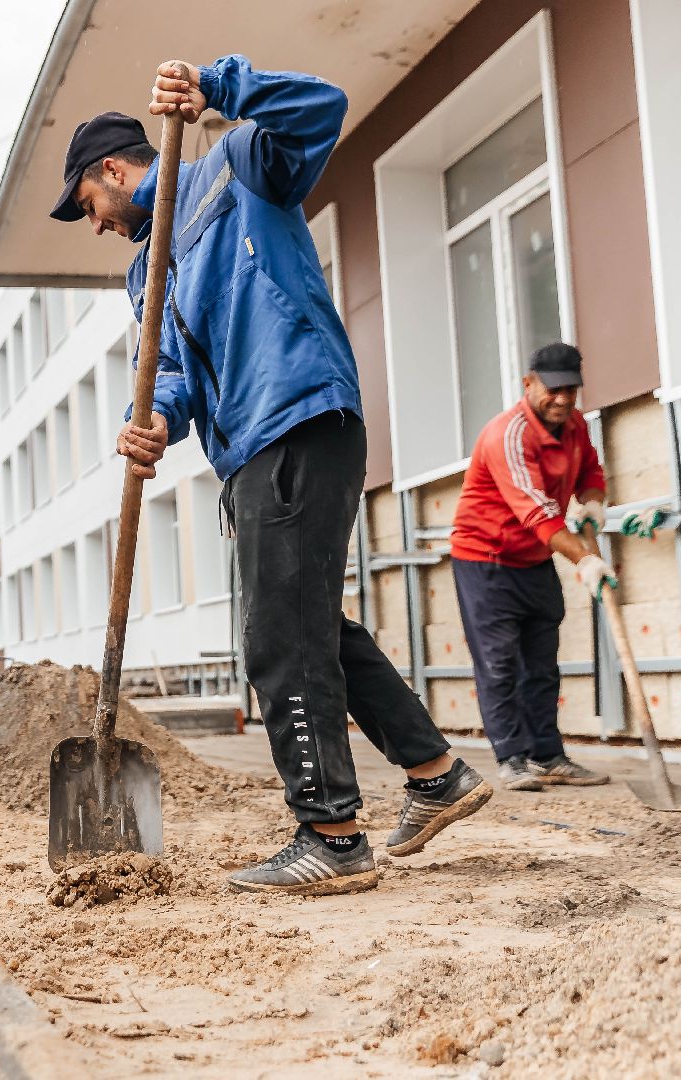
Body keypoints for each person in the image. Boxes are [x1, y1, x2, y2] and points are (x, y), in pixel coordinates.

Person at [53, 56, 491, 895]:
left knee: (276, 637)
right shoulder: (145, 273)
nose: (98, 224)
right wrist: (155, 420)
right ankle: (436, 774)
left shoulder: (235, 167)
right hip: (248, 446)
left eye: (89, 206)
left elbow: (321, 107)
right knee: (308, 623)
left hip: (296, 413)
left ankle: (330, 834)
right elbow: (175, 371)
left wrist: (220, 86)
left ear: (113, 169)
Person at [449, 343, 624, 791]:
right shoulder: (507, 435)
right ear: (529, 384)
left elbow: (591, 471)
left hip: (534, 559)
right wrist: (584, 559)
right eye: (554, 389)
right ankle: (511, 758)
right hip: (485, 560)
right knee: (499, 662)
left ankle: (548, 754)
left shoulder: (574, 425)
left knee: (542, 663)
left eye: (571, 389)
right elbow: (537, 513)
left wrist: (591, 502)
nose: (563, 399)